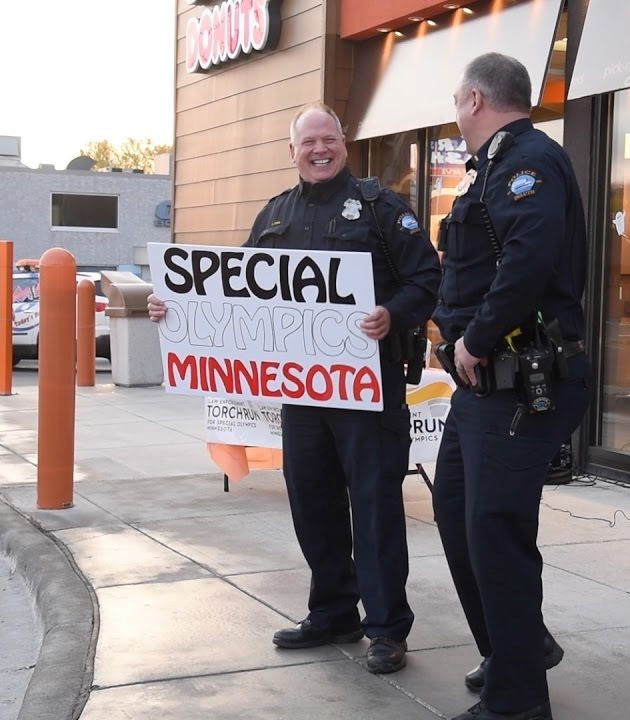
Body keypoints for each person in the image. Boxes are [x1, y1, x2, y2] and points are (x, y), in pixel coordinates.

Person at [146, 104, 441, 674]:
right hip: (303, 393)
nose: (319, 149)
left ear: (344, 143)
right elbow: (231, 295)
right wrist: (174, 307)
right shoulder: (275, 215)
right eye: (309, 142)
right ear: (293, 151)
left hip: (368, 389)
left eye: (329, 138)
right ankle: (334, 612)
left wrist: (392, 313)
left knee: (376, 508)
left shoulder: (382, 209)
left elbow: (428, 277)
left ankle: (386, 629)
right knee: (312, 500)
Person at [431, 52, 590, 720]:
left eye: (456, 99)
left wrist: (476, 337)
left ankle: (519, 703)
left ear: (473, 98)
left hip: (520, 381)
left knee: (495, 531)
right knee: (459, 517)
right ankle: (516, 649)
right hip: (483, 388)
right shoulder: (491, 168)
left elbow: (529, 257)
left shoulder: (528, 160)